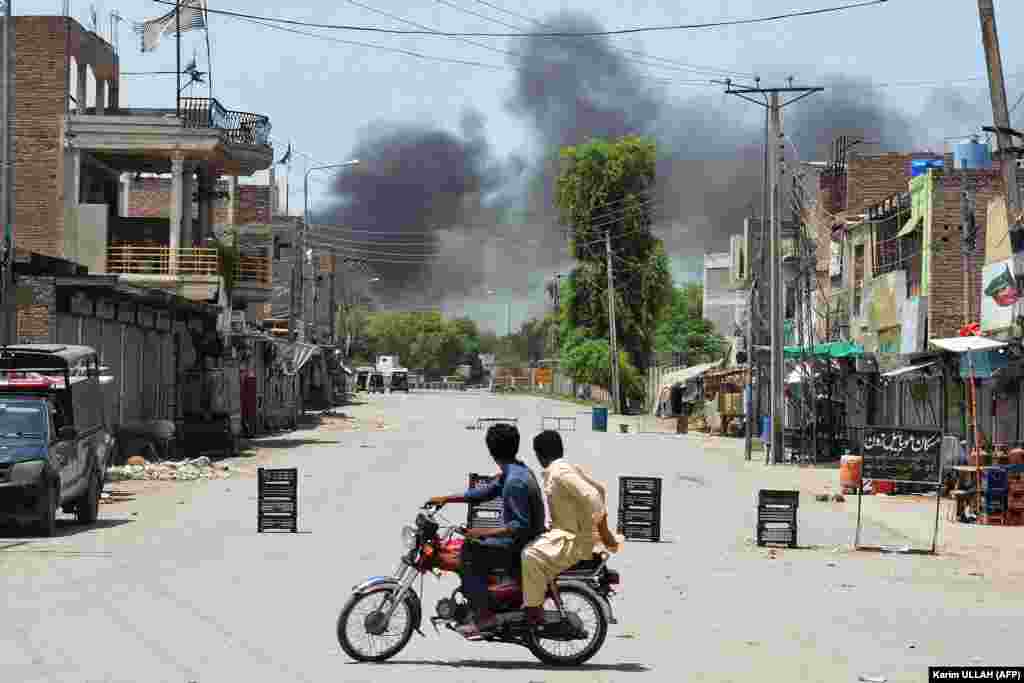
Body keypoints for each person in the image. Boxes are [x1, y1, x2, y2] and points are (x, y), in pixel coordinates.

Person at [426, 423, 545, 637]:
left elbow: (520, 525)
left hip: (520, 544)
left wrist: (481, 533)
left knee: (468, 553)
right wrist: (447, 499)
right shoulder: (515, 471)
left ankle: (484, 617)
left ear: (491, 451)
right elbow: (484, 493)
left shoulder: (514, 481)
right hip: (523, 539)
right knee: (470, 544)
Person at [521, 430, 622, 625]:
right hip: (569, 533)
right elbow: (600, 489)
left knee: (529, 555)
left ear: (539, 454)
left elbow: (592, 495)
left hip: (573, 541)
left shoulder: (560, 473)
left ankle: (533, 611)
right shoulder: (566, 467)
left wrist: (603, 532)